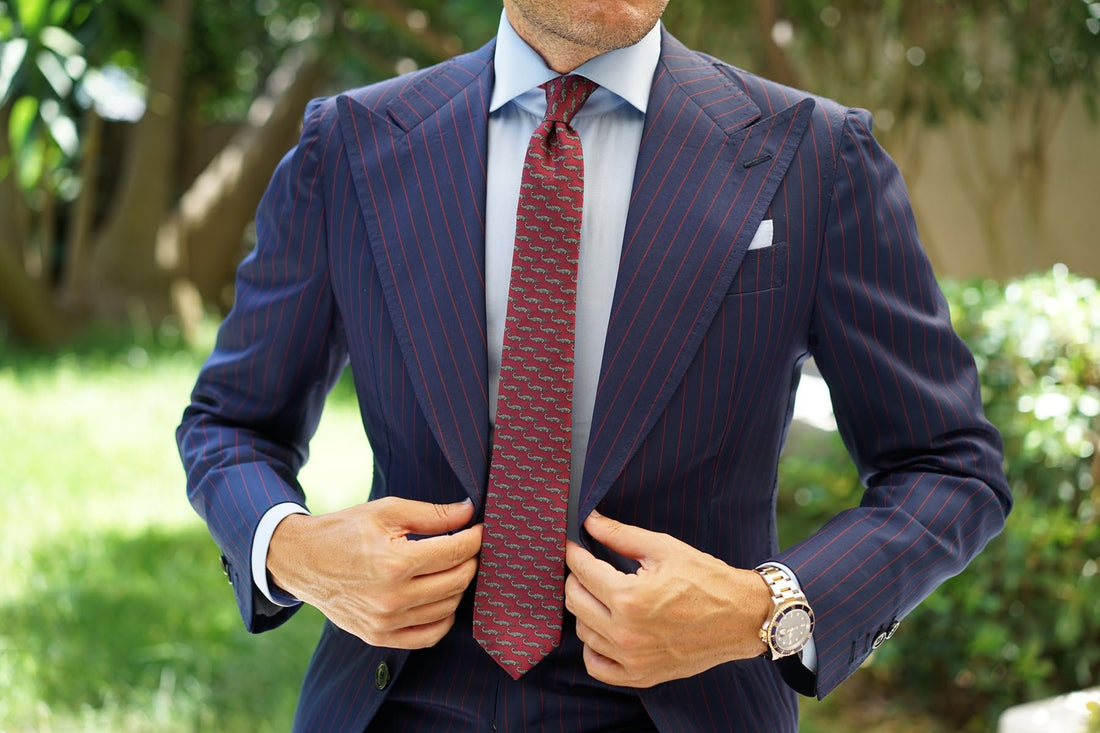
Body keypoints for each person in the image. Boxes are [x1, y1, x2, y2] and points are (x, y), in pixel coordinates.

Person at [177, 0, 1011, 730]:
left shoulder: (817, 156)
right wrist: (293, 550)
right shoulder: (348, 143)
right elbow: (230, 423)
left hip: (689, 707)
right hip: (395, 702)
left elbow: (948, 464)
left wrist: (762, 607)